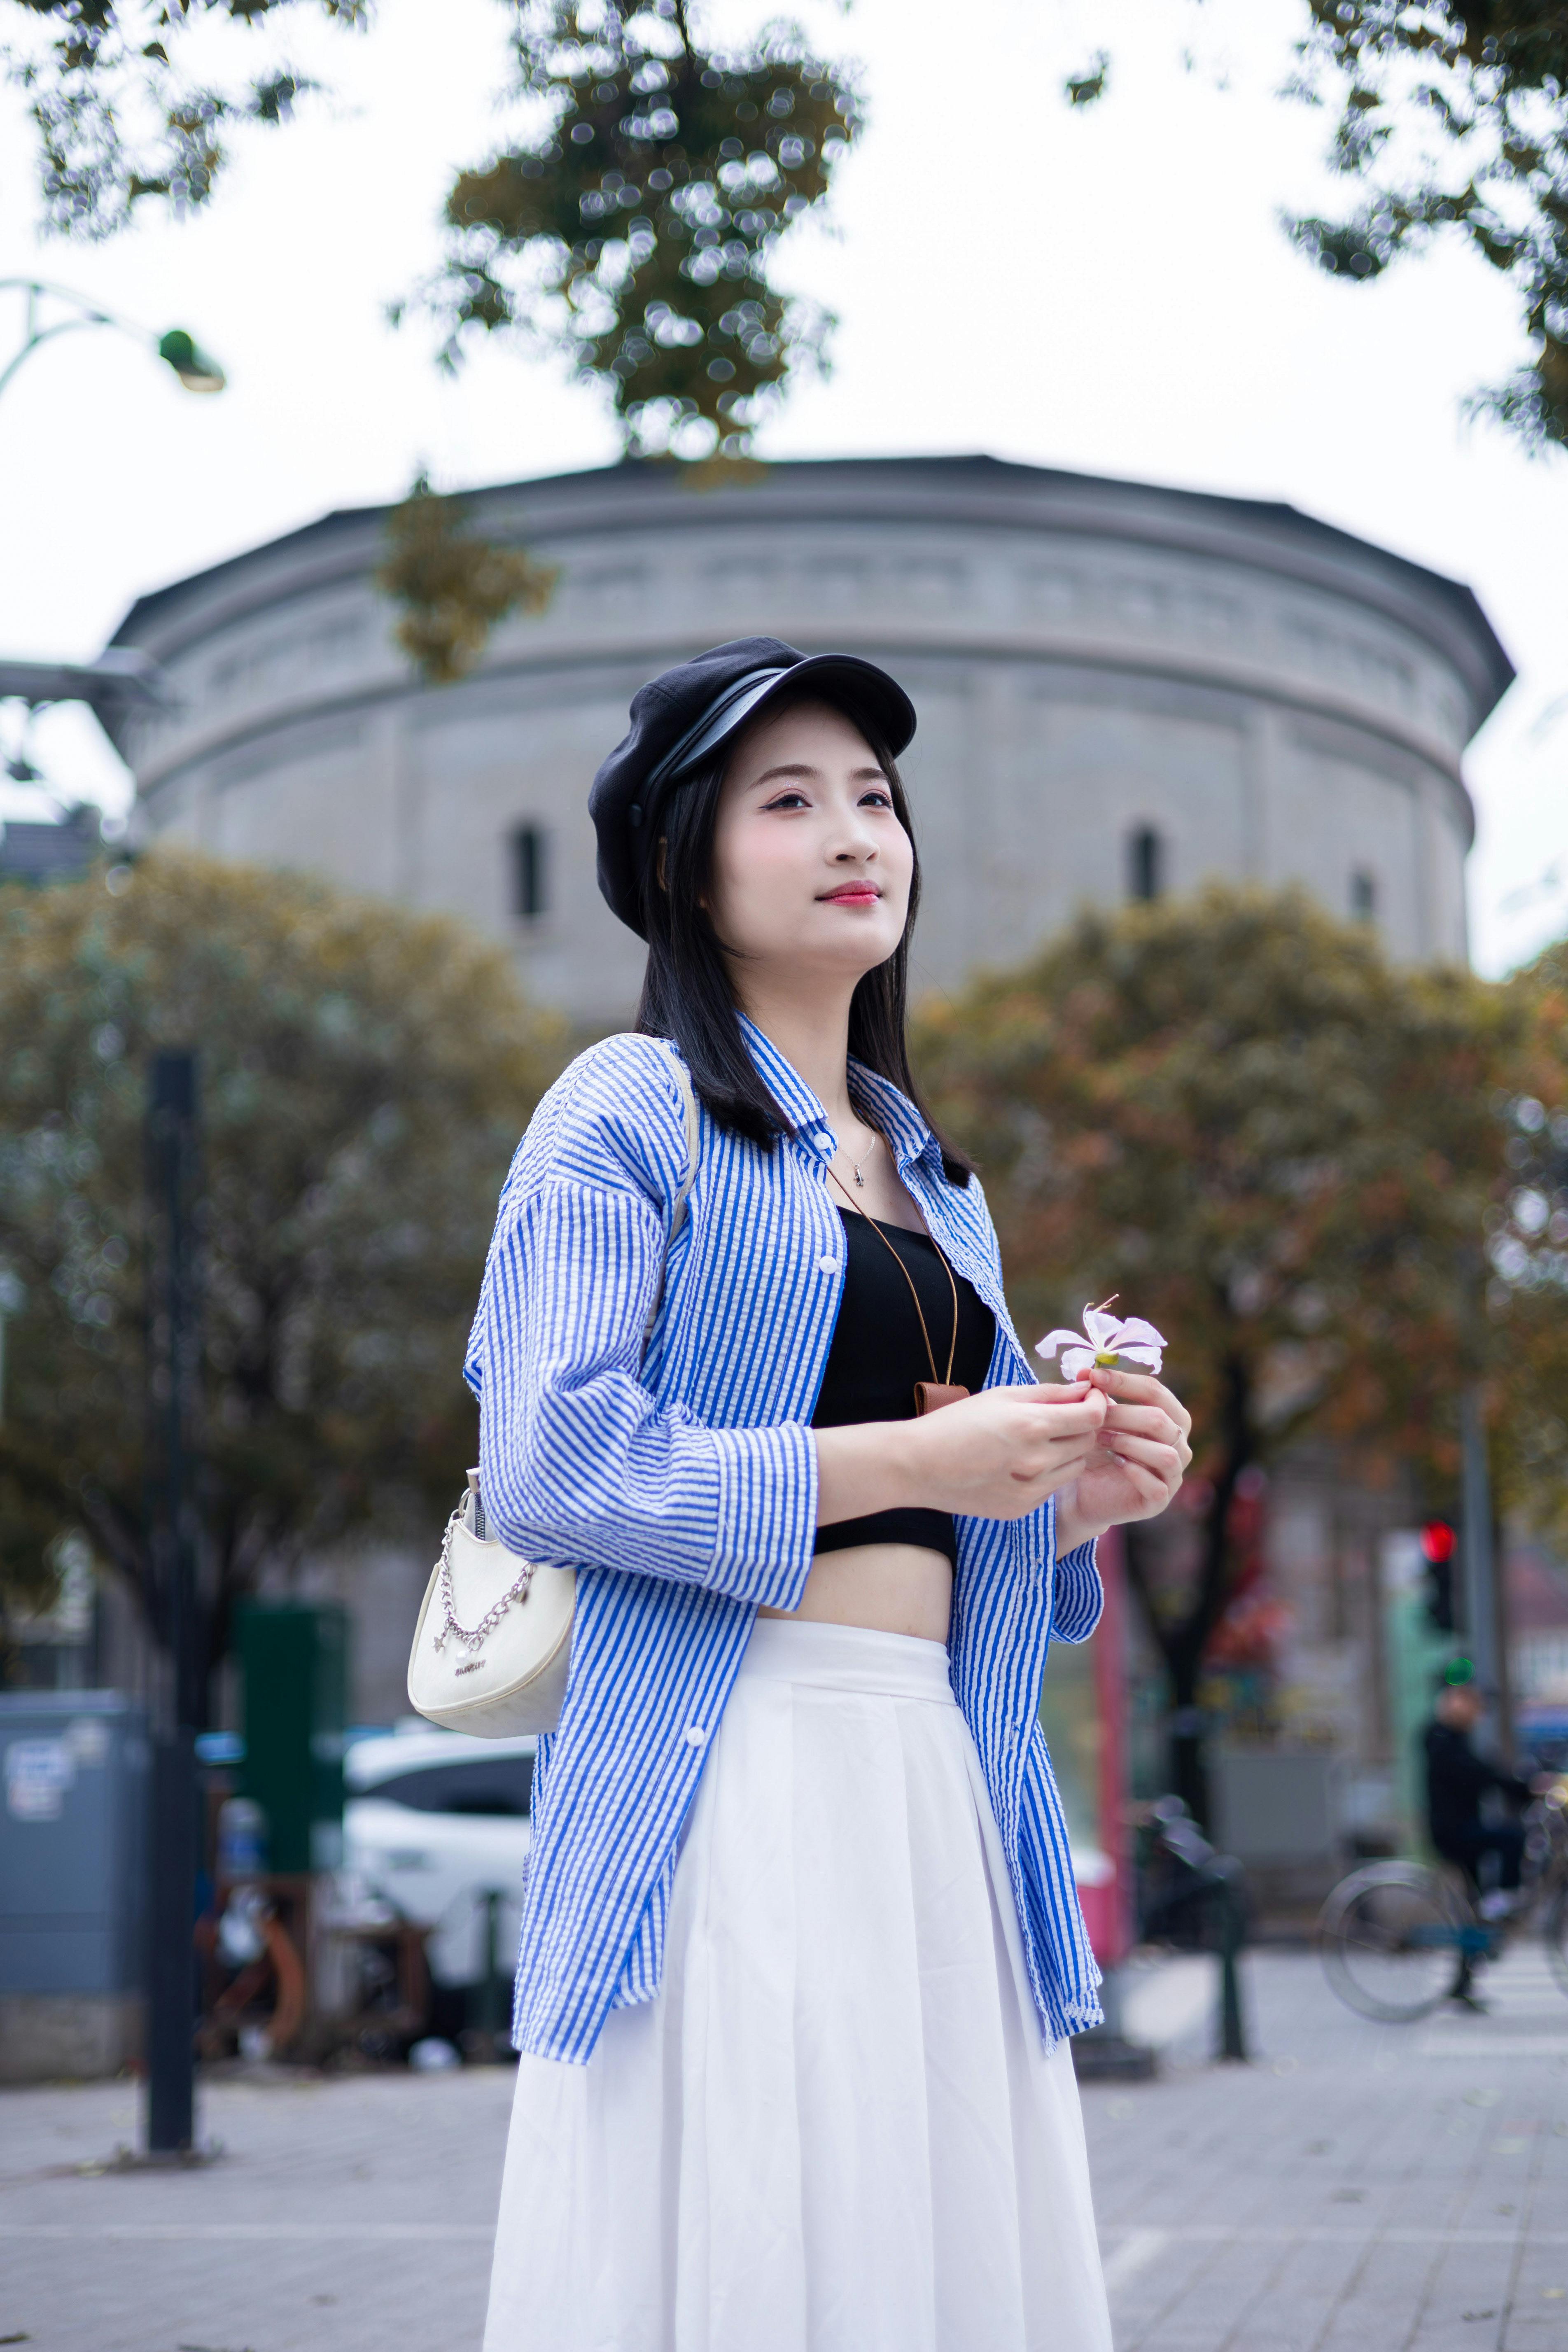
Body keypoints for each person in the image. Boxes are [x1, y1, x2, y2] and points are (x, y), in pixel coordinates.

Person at [471, 638, 1194, 2352]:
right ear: (684, 863)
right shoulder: (627, 1109)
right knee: (758, 2250)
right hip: (734, 1771)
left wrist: (1078, 1491)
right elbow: (551, 1461)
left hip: (935, 1775)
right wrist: (913, 1462)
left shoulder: (935, 1178)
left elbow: (971, 1536)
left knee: (919, 2256)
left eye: (873, 797)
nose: (852, 831)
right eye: (786, 800)